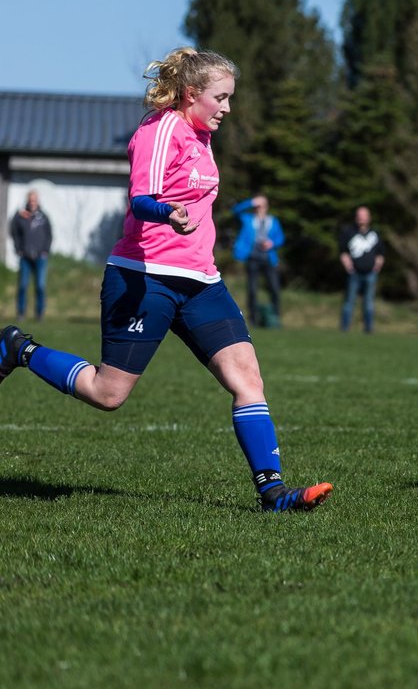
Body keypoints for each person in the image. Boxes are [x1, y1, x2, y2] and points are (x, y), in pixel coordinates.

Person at [0, 47, 332, 512]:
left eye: (230, 98)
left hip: (201, 282)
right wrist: (167, 214)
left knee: (248, 379)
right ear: (192, 94)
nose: (228, 108)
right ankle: (18, 348)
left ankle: (273, 492)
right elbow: (140, 199)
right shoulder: (160, 131)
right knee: (107, 393)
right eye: (221, 97)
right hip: (144, 278)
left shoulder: (201, 135)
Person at [231, 193, 284, 328]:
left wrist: (272, 243)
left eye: (262, 205)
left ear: (267, 207)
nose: (260, 208)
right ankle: (253, 319)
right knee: (253, 289)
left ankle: (276, 318)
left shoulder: (273, 221)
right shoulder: (248, 219)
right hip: (252, 257)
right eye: (258, 206)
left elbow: (280, 238)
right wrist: (251, 202)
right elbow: (235, 211)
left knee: (274, 288)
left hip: (268, 258)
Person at [340, 206, 385, 333]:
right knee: (349, 301)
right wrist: (348, 266)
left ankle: (368, 329)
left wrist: (377, 267)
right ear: (356, 217)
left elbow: (381, 254)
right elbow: (343, 252)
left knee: (369, 303)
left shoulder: (375, 234)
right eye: (359, 216)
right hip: (354, 273)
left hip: (370, 273)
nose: (361, 219)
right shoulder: (348, 233)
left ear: (369, 218)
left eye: (364, 216)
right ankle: (344, 329)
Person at [10, 189, 52, 321]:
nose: (32, 202)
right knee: (23, 286)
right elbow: (14, 232)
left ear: (37, 201)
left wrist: (45, 250)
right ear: (28, 201)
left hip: (40, 257)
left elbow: (49, 235)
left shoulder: (43, 217)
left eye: (35, 200)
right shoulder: (20, 216)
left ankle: (39, 314)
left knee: (40, 286)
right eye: (30, 200)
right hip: (25, 257)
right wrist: (18, 249)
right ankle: (21, 313)